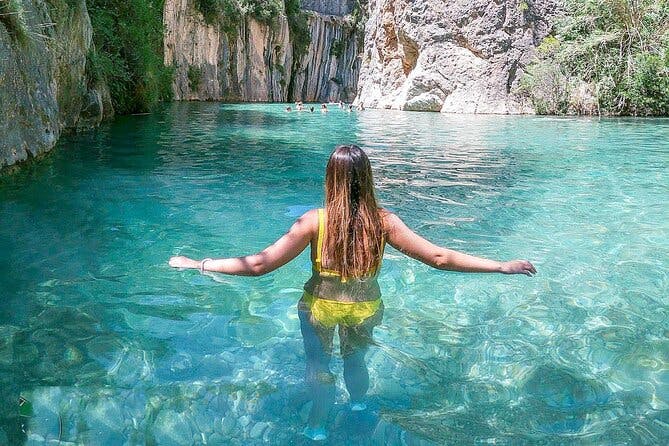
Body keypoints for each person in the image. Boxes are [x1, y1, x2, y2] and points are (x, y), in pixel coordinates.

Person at [168, 145, 536, 441]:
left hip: (318, 308)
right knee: (354, 361)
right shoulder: (384, 222)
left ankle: (318, 425)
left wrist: (200, 263)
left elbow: (260, 264)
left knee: (318, 365)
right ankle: (359, 407)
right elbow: (438, 258)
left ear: (331, 178)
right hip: (364, 308)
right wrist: (500, 265)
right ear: (368, 178)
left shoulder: (313, 221)